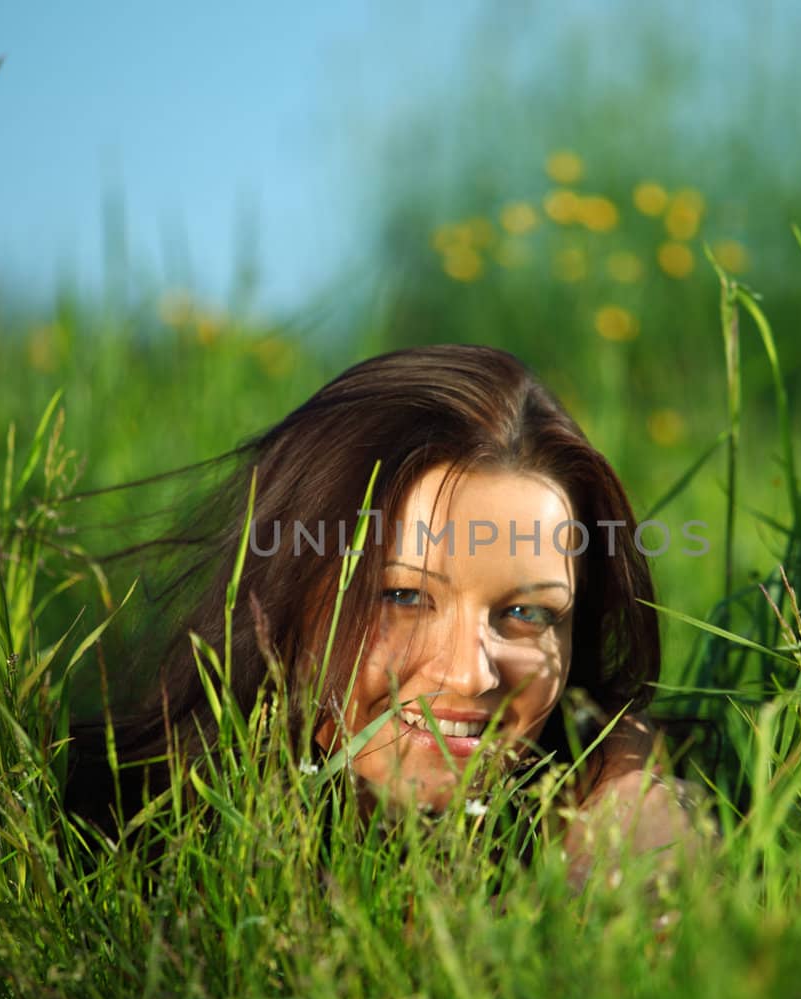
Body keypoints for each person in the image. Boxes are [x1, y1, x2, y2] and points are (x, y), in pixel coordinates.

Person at [63, 343, 700, 881]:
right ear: (282, 593)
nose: (470, 675)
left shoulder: (605, 800)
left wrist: (632, 791)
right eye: (403, 597)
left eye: (528, 613)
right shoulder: (89, 835)